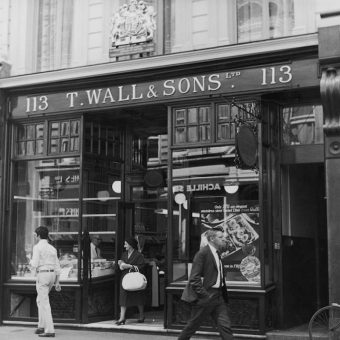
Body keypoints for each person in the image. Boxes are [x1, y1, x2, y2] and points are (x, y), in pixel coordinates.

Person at [178, 228, 233, 340]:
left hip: (218, 296)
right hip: (206, 295)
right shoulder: (202, 253)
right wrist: (204, 295)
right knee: (192, 326)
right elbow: (194, 278)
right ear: (212, 239)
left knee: (225, 326)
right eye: (220, 237)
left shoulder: (218, 253)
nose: (224, 239)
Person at [30, 226, 61, 338]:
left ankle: (49, 330)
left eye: (35, 235)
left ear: (38, 236)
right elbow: (57, 266)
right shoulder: (52, 248)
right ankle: (41, 325)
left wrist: (30, 263)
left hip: (43, 274)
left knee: (44, 303)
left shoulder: (37, 247)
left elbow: (34, 263)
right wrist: (57, 282)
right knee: (40, 300)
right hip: (52, 275)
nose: (35, 237)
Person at [116, 236, 146, 325]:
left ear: (131, 245)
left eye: (126, 244)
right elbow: (121, 264)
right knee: (123, 297)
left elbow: (141, 266)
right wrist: (120, 263)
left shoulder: (138, 255)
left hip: (135, 279)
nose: (124, 245)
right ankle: (122, 318)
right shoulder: (124, 254)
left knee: (138, 297)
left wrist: (129, 266)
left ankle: (141, 316)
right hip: (125, 278)